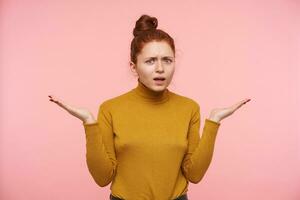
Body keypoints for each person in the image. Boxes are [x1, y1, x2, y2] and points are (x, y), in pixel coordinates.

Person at [49, 14, 251, 200]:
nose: (160, 69)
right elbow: (102, 178)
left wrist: (213, 122)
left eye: (167, 60)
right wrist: (89, 123)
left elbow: (195, 174)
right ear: (133, 66)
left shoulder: (189, 108)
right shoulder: (111, 108)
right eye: (150, 61)